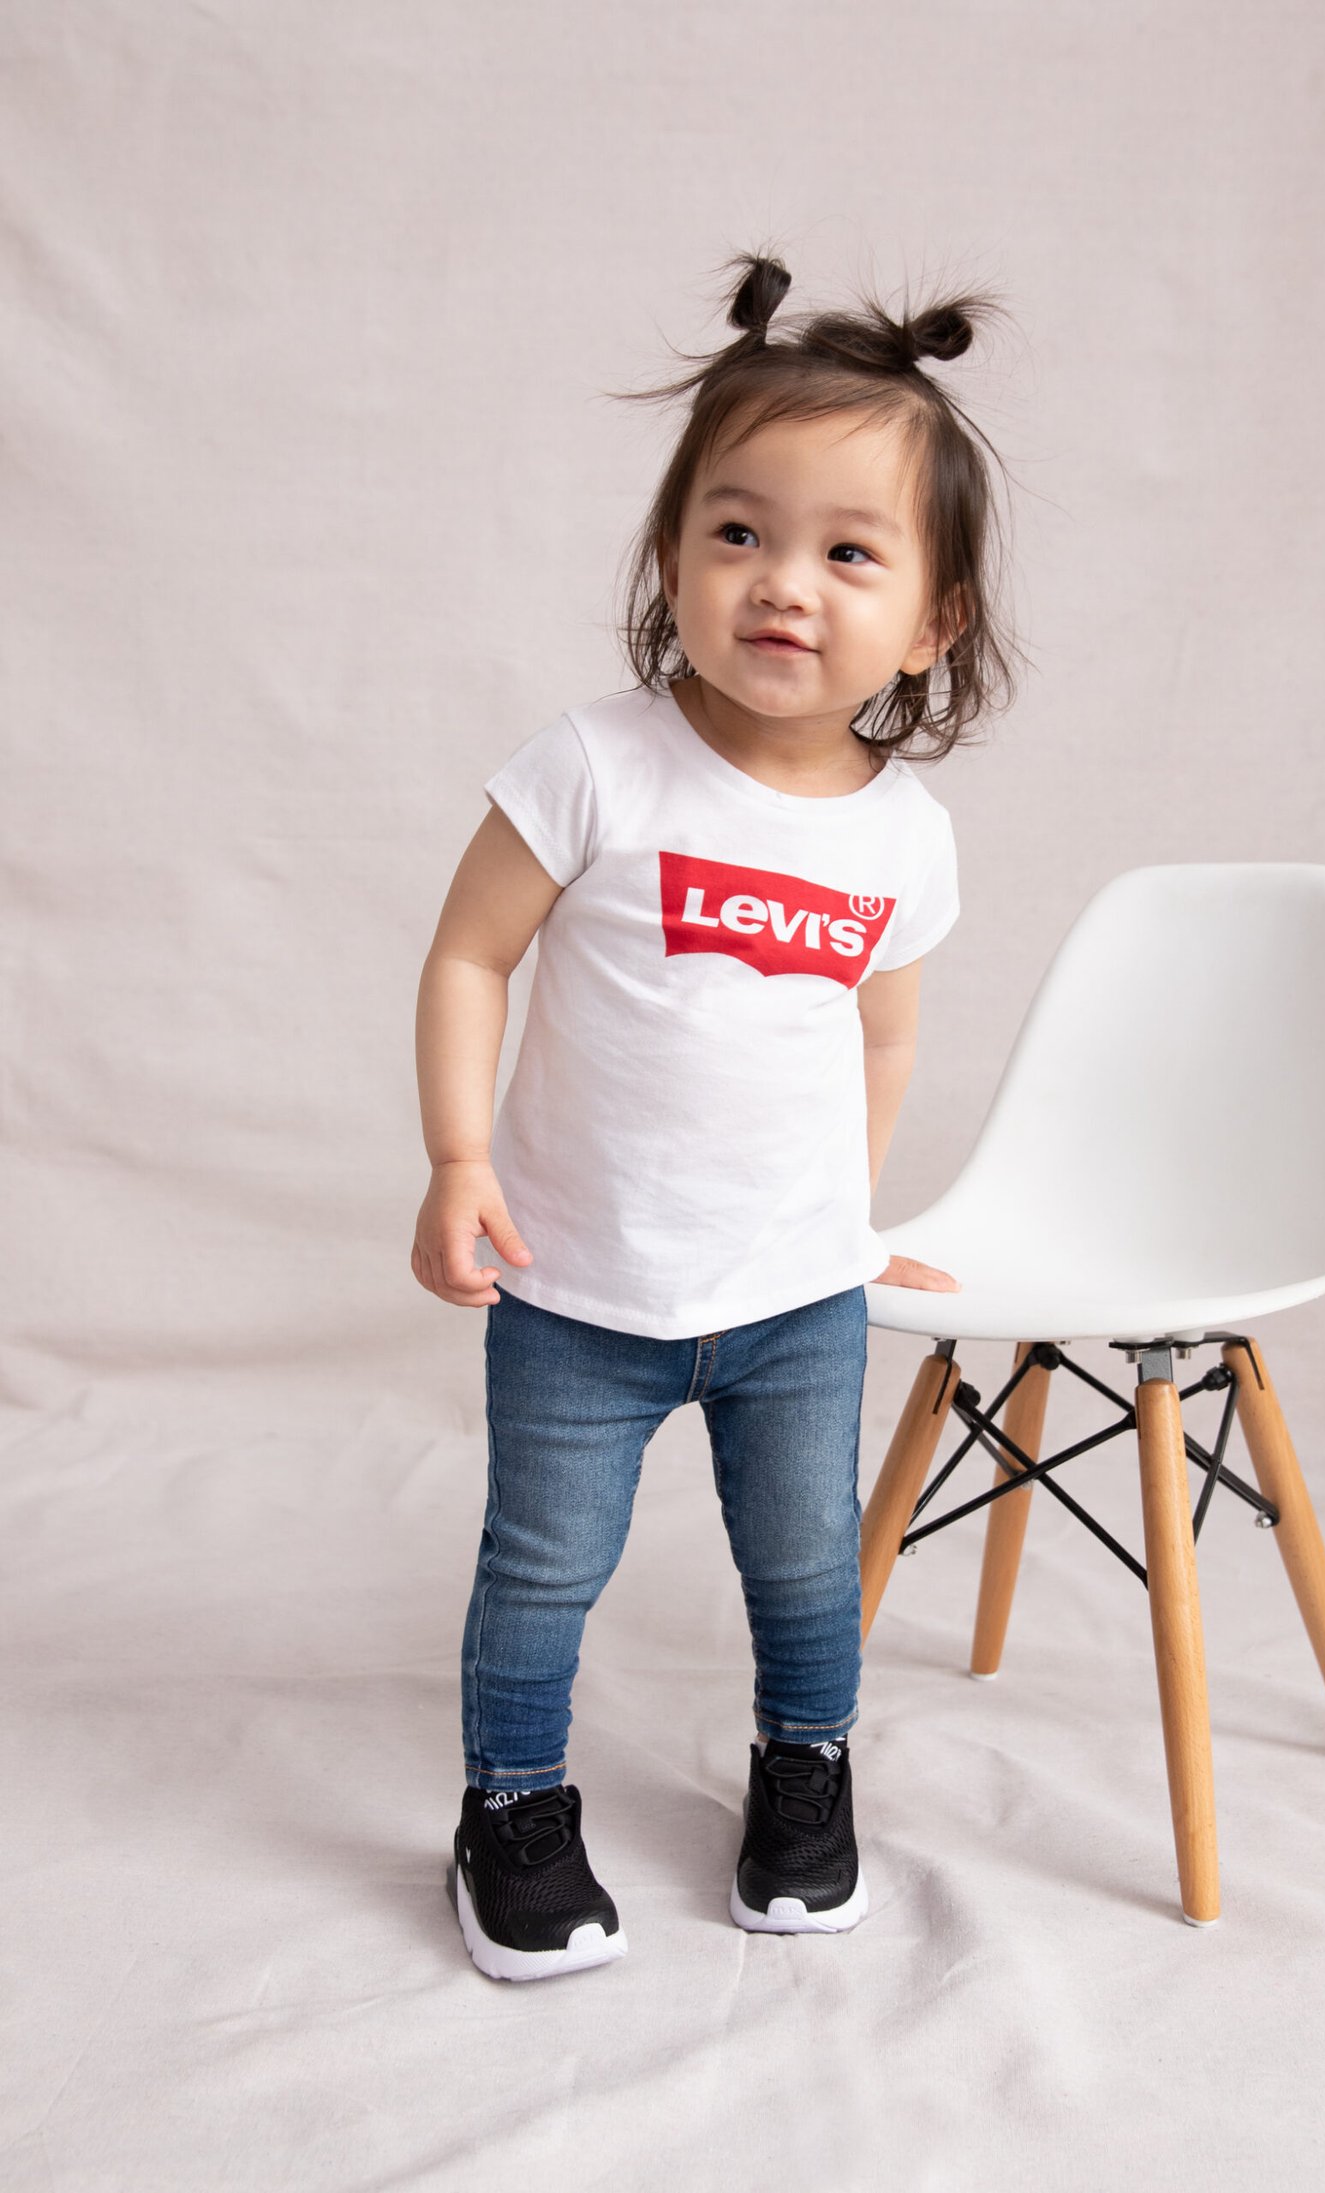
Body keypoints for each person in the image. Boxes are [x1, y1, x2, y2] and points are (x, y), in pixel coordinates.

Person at [412, 249, 1024, 1982]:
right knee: (543, 1566)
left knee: (807, 1569)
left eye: (850, 553)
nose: (783, 584)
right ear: (673, 555)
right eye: (738, 531)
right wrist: (459, 1156)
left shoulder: (903, 837)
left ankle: (805, 1774)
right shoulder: (596, 766)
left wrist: (844, 1208)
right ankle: (511, 1804)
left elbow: (882, 1036)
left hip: (794, 1301)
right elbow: (469, 955)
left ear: (934, 621)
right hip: (578, 1287)